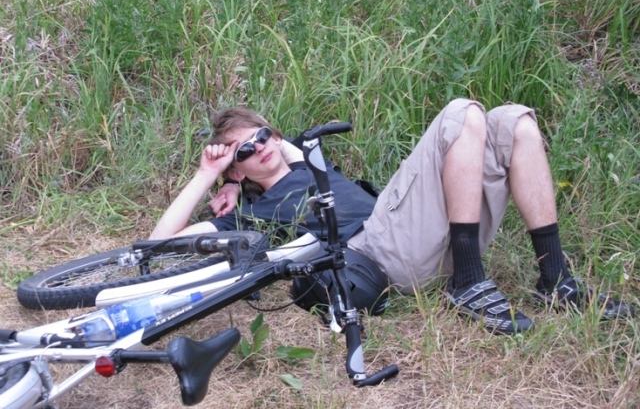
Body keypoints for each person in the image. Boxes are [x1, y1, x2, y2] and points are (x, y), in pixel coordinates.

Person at [150, 99, 634, 335]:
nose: (258, 149)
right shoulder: (254, 215)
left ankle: (557, 280)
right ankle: (468, 281)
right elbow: (157, 245)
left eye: (261, 137)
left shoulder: (306, 158)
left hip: (434, 235)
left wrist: (235, 178)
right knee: (462, 114)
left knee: (515, 121)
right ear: (235, 166)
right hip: (379, 251)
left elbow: (284, 146)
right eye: (243, 152)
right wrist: (209, 175)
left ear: (275, 136)